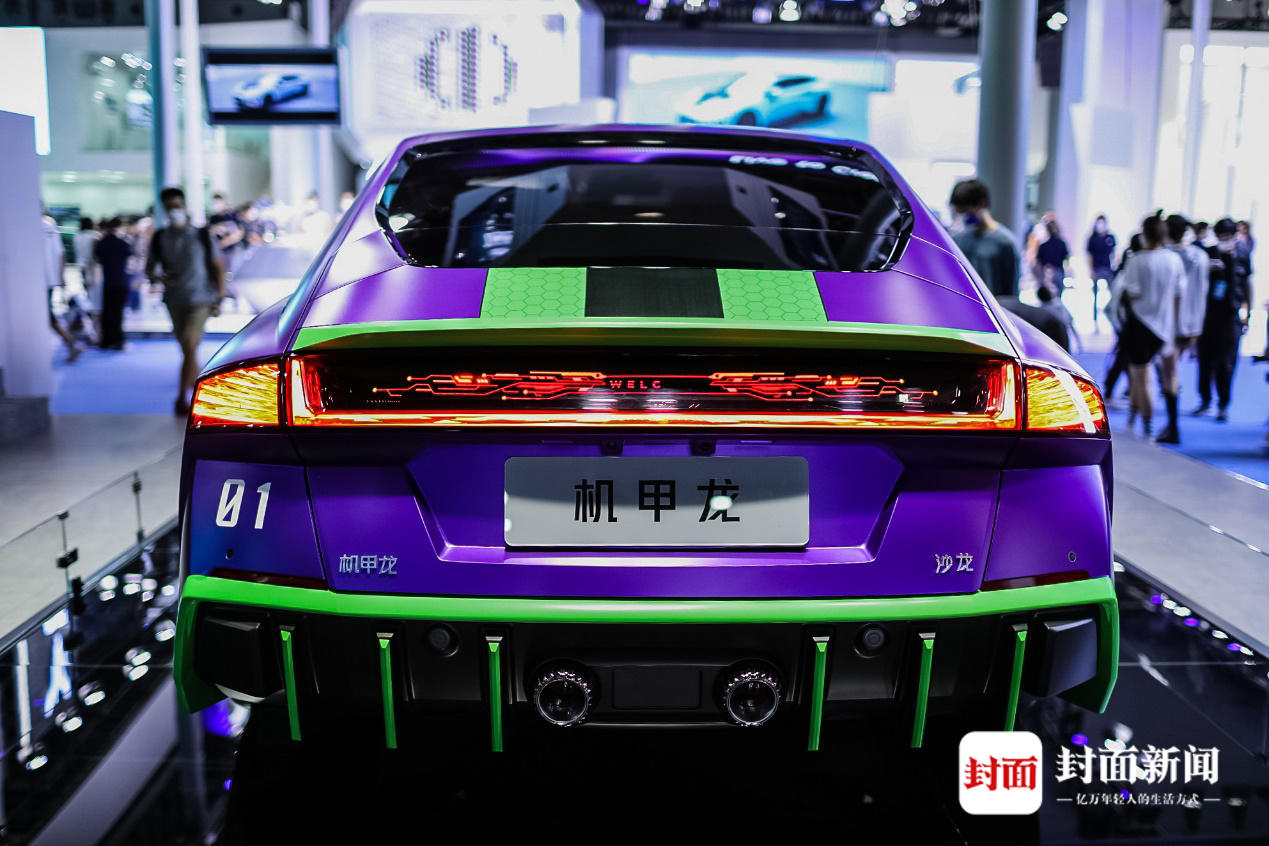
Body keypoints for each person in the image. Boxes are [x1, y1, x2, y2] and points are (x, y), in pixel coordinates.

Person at [146, 186, 226, 415]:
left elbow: (218, 267)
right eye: (169, 207)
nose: (174, 210)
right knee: (187, 349)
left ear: (184, 206)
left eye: (177, 206)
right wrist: (157, 276)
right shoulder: (160, 237)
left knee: (190, 345)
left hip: (201, 299)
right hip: (174, 300)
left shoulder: (201, 235)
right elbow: (150, 268)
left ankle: (182, 397)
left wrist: (220, 297)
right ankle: (202, 387)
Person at [1111, 214, 1182, 437]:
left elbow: (1132, 292)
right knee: (1162, 375)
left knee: (1140, 378)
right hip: (1164, 326)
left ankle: (1146, 425)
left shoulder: (1137, 260)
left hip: (1140, 325)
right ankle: (1140, 419)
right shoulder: (1174, 260)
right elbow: (1178, 295)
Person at [1193, 217, 1253, 422]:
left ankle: (1223, 404)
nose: (1224, 240)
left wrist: (1247, 314)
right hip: (1208, 316)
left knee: (1226, 363)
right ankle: (1205, 400)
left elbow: (1247, 284)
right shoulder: (1208, 254)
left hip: (1231, 317)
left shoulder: (1242, 254)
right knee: (1205, 360)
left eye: (1227, 236)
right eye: (1221, 236)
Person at [1156, 214, 1209, 444]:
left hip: (1170, 322)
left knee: (1169, 373)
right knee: (1172, 371)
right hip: (1193, 323)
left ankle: (1173, 426)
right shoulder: (1201, 256)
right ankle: (1172, 424)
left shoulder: (1167, 257)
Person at [949, 179, 1021, 298]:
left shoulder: (1005, 242)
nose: (965, 217)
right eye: (961, 212)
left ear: (982, 204)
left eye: (967, 211)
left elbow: (1011, 292)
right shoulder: (958, 240)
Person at [44, 215, 82, 362]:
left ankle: (71, 343)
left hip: (37, 281)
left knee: (48, 317)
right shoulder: (51, 228)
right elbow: (61, 254)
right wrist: (61, 278)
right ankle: (71, 343)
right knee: (48, 317)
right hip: (49, 280)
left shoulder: (29, 227)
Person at [94, 217, 132, 350]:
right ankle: (118, 340)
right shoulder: (123, 243)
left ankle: (106, 340)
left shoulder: (101, 243)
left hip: (108, 282)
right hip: (121, 281)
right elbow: (129, 261)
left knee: (107, 312)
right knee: (118, 312)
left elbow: (98, 259)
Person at [1086, 215, 1117, 329]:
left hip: (1108, 269)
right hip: (1096, 269)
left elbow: (1114, 253)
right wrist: (1091, 270)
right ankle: (1095, 319)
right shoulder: (1092, 238)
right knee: (1095, 295)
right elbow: (1089, 255)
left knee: (1113, 292)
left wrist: (1114, 266)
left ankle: (1112, 313)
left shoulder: (1110, 237)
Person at [1035, 284, 1078, 352]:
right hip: (1060, 336)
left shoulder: (1039, 310)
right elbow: (1069, 321)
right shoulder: (1058, 306)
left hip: (1047, 340)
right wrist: (1077, 340)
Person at [1035, 214, 1070, 298]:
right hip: (1054, 272)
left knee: (1048, 297)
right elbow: (1066, 258)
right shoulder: (1061, 244)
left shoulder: (1044, 245)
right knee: (1056, 297)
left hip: (1048, 271)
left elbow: (1038, 262)